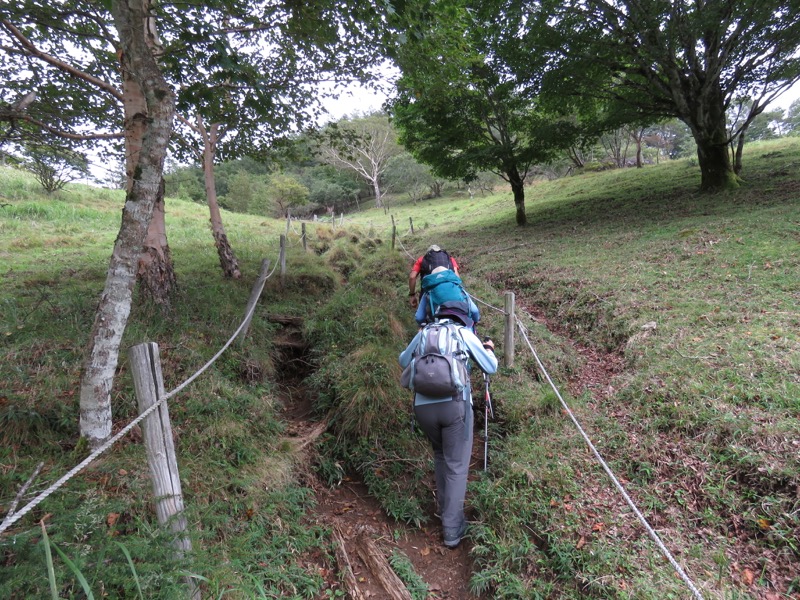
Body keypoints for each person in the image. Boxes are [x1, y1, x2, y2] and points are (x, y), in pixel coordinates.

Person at [399, 302, 497, 548]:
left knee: (441, 456)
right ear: (461, 317)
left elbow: (403, 361)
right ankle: (452, 530)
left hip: (423, 408)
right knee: (456, 466)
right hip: (454, 405)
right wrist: (488, 349)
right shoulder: (462, 332)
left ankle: (445, 513)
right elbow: (490, 366)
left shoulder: (423, 333)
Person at [415, 266, 481, 329]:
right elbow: (474, 311)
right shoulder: (458, 287)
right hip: (462, 321)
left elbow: (419, 317)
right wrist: (475, 321)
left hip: (437, 324)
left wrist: (423, 325)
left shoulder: (429, 291)